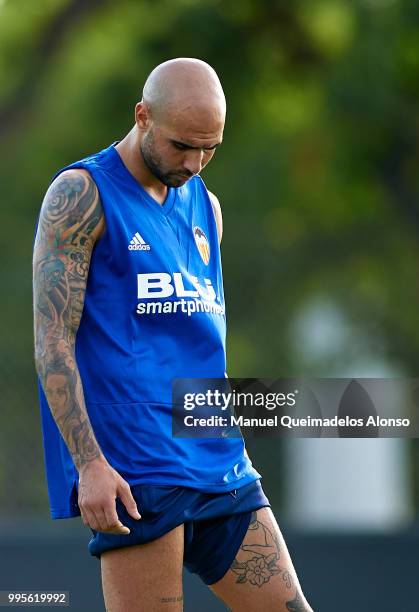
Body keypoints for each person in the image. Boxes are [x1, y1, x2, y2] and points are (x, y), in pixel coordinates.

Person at [32, 58, 313, 612]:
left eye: (210, 148)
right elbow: (51, 341)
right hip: (138, 473)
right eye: (183, 145)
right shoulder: (81, 195)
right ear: (142, 116)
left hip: (219, 462)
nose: (195, 161)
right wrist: (88, 463)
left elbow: (200, 336)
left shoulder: (206, 206)